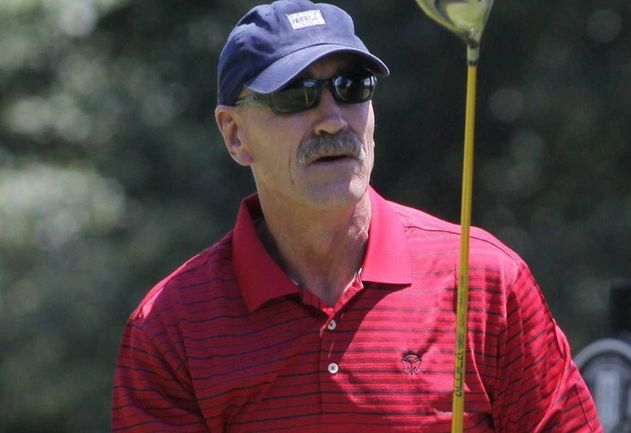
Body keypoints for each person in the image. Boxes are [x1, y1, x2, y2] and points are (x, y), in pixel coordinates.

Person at [111, 1, 602, 432]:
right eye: (295, 95)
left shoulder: (486, 280)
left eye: (351, 87)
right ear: (234, 133)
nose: (332, 118)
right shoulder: (170, 328)